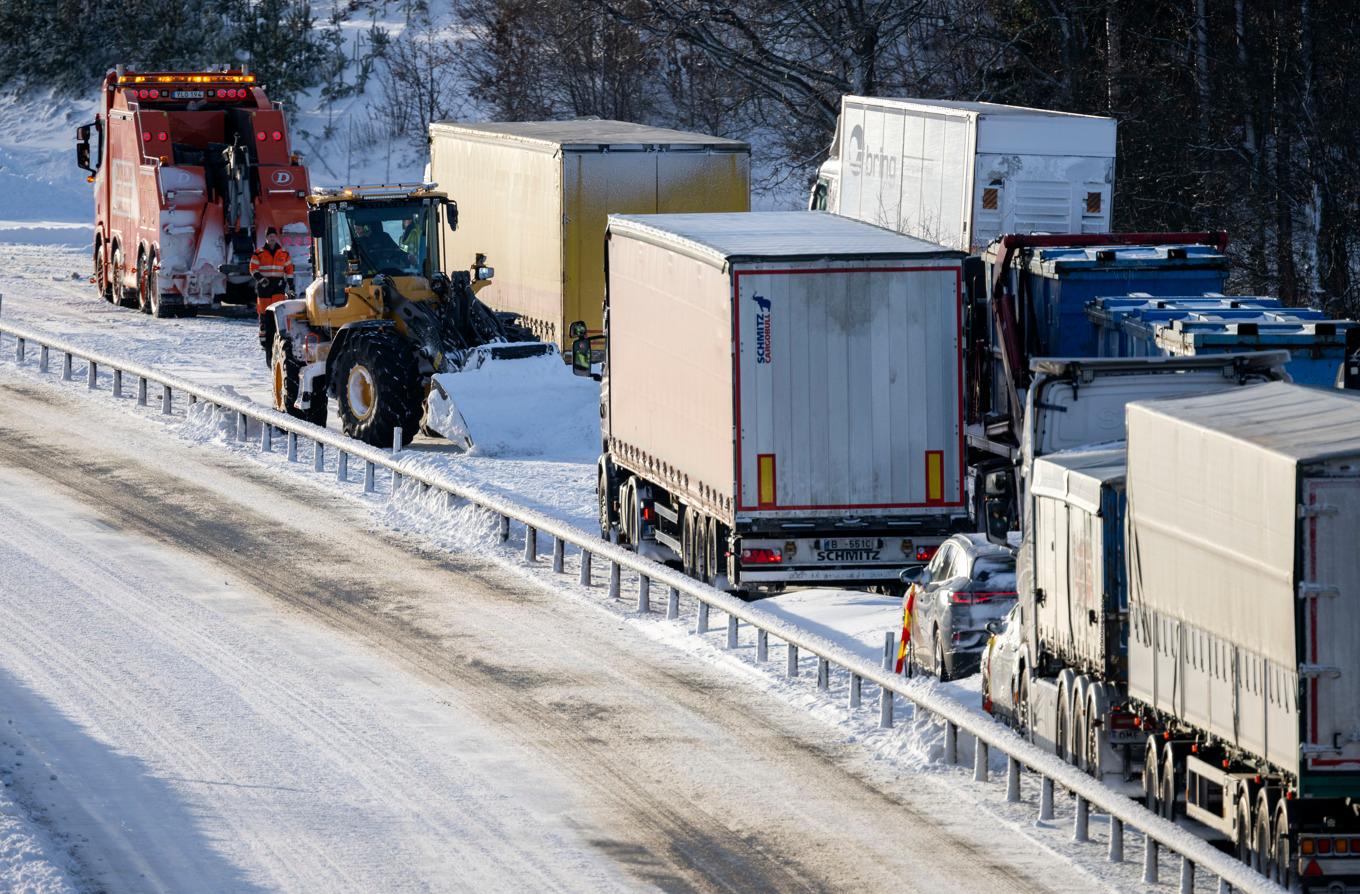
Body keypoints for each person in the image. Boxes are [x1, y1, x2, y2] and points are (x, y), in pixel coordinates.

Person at [250, 227, 295, 364]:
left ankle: (278, 339)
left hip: (278, 287)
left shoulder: (284, 254)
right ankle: (265, 343)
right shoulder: (259, 253)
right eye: (269, 236)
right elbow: (253, 268)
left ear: (276, 237)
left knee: (278, 315)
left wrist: (291, 286)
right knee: (264, 316)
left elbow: (289, 270)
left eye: (273, 236)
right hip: (264, 288)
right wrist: (261, 279)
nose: (272, 238)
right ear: (266, 238)